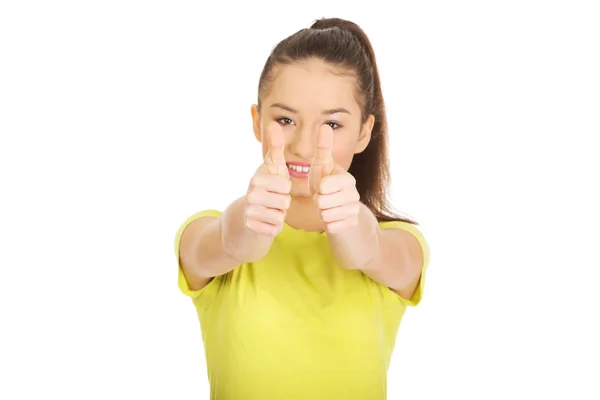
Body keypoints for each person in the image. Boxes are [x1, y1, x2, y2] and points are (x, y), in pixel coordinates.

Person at [174, 17, 430, 400]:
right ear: (258, 122)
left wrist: (353, 225)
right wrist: (244, 232)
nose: (306, 147)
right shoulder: (205, 233)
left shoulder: (403, 245)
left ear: (363, 132)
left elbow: (371, 249)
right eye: (285, 119)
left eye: (331, 125)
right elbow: (215, 244)